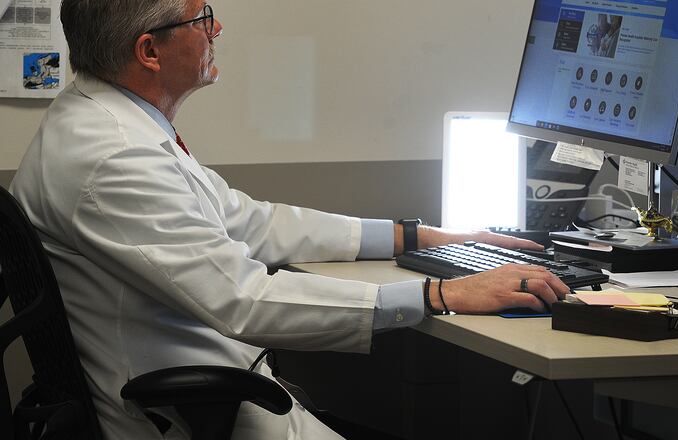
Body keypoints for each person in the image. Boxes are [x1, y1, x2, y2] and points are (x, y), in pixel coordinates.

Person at [10, 1, 569, 438]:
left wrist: (413, 236)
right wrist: (440, 294)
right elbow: (244, 300)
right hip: (187, 413)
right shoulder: (115, 156)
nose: (217, 28)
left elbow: (247, 221)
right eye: (202, 18)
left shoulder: (102, 121)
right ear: (150, 51)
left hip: (201, 389)